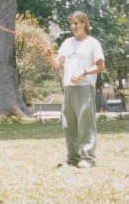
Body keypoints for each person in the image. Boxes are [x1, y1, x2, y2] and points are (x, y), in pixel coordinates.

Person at [43, 11, 105, 169]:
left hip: (85, 88)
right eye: (72, 23)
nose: (74, 26)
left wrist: (83, 72)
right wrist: (50, 56)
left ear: (85, 23)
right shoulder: (67, 43)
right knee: (68, 124)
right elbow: (57, 65)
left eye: (77, 23)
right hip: (69, 88)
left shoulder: (93, 43)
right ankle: (72, 158)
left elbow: (100, 66)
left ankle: (88, 158)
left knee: (85, 123)